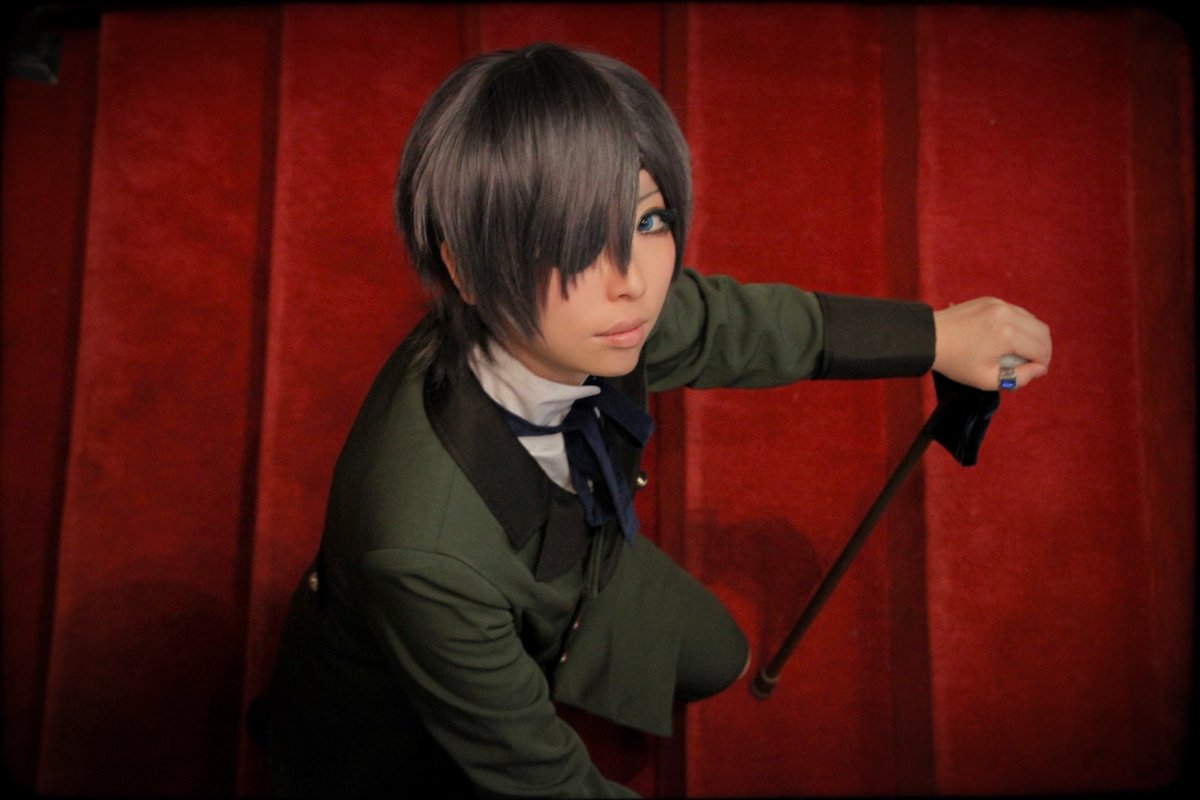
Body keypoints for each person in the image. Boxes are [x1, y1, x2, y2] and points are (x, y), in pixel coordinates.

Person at [261, 41, 1052, 798]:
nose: (633, 283)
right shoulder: (423, 552)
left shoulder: (584, 317)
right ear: (467, 270)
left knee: (723, 655)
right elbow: (536, 777)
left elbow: (730, 325)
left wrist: (935, 335)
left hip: (584, 564)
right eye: (569, 241)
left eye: (645, 222)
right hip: (407, 712)